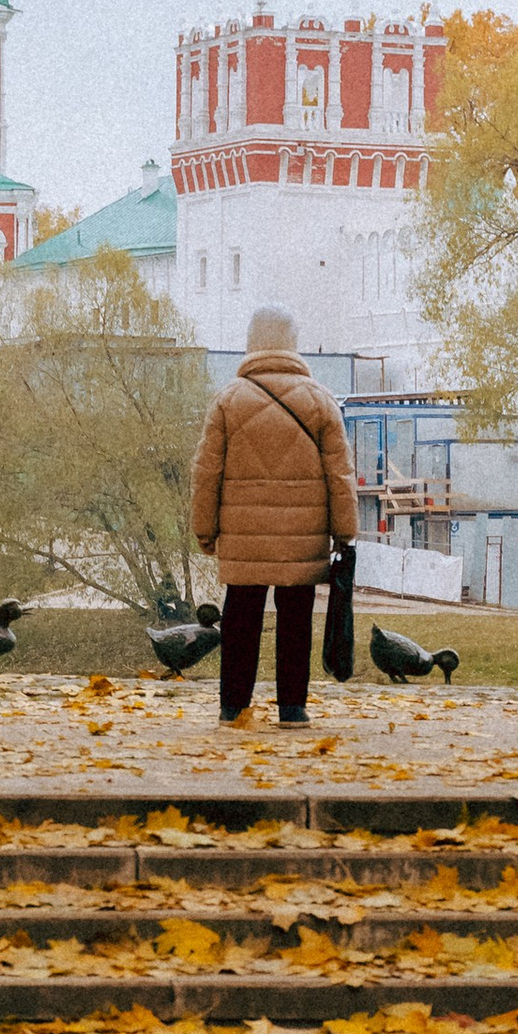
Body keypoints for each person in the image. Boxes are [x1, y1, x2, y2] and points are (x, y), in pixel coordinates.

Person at [188, 307, 358, 726]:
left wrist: (204, 528)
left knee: (241, 616)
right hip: (303, 536)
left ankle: (233, 706)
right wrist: (344, 530)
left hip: (244, 537)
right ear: (293, 343)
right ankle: (292, 708)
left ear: (252, 342)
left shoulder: (228, 400)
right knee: (296, 618)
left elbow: (206, 472)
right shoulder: (320, 401)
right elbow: (340, 473)